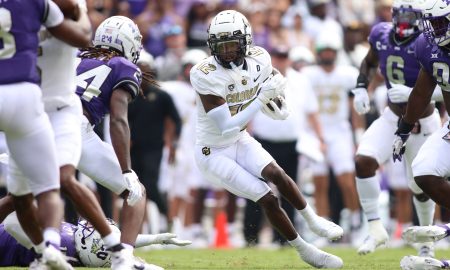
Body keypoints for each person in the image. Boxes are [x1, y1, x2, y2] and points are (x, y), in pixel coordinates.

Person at [190, 10, 343, 268]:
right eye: (221, 46)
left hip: (239, 138)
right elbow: (226, 125)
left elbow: (273, 84)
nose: (226, 51)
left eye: (232, 44)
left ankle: (313, 220)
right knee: (267, 197)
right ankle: (305, 250)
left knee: (278, 174)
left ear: (246, 41)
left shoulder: (261, 58)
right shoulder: (203, 73)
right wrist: (261, 98)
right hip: (212, 151)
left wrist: (277, 103)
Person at [0, 0, 94, 268]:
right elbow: (83, 37)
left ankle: (46, 249)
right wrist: (82, 13)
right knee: (51, 185)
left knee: (19, 195)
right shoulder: (36, 5)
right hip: (29, 101)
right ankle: (52, 245)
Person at [351, 0, 442, 256]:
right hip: (391, 118)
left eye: (410, 16)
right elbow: (369, 62)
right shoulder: (380, 33)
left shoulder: (429, 42)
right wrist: (360, 86)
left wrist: (417, 93)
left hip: (423, 123)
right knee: (363, 161)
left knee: (420, 187)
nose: (405, 22)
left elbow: (444, 85)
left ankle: (426, 243)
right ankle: (375, 229)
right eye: (400, 15)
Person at [74, 15, 160, 269]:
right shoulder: (123, 66)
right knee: (136, 191)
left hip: (41, 124)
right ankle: (123, 259)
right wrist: (127, 170)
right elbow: (119, 120)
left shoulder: (77, 56)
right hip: (76, 129)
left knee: (19, 198)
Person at [389, 0, 450, 268]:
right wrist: (403, 129)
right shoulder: (428, 45)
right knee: (423, 171)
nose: (434, 29)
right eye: (432, 22)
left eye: (440, 22)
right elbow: (422, 91)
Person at [301, 32, 362, 246]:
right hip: (315, 132)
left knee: (346, 181)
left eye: (330, 51)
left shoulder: (347, 74)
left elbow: (356, 107)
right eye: (323, 51)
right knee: (320, 183)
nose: (327, 55)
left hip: (339, 131)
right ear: (318, 54)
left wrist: (358, 135)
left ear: (335, 53)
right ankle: (325, 229)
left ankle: (355, 224)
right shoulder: (308, 74)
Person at [0, 213, 190, 267]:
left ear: (87, 244)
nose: (91, 224)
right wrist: (156, 238)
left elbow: (11, 222)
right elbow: (116, 244)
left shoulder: (64, 240)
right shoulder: (77, 247)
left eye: (95, 229)